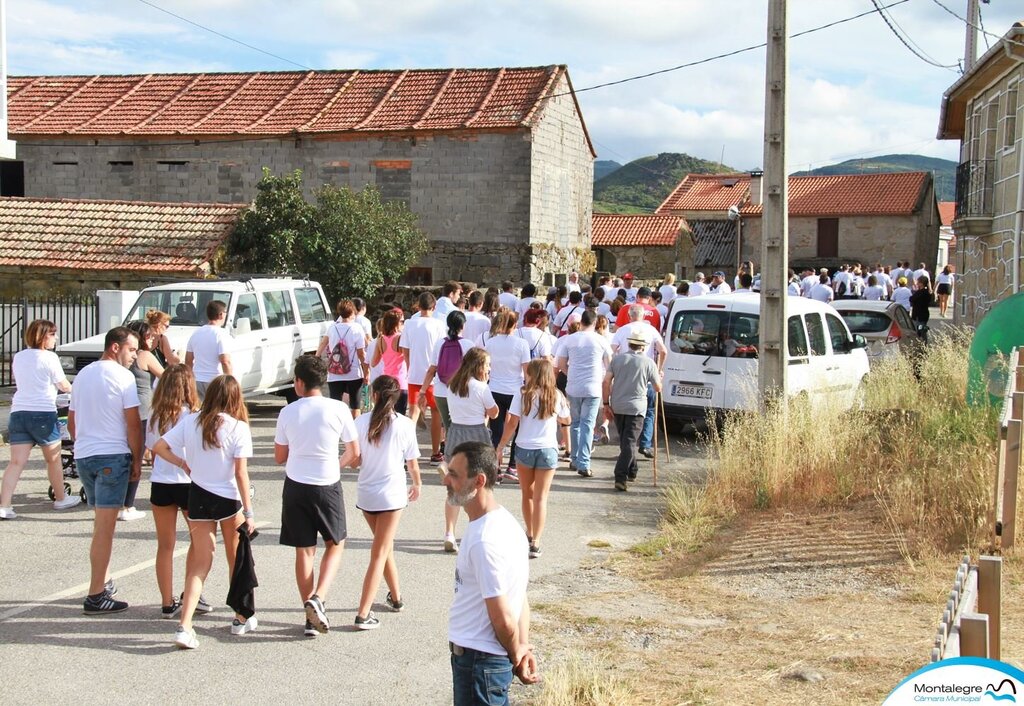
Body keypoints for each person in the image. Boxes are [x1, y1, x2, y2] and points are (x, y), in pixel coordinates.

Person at [152, 375, 255, 649]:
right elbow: (240, 473)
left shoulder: (191, 422)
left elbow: (159, 447)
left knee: (200, 563)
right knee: (235, 559)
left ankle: (185, 625)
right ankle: (240, 616)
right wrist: (250, 511)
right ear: (235, 398)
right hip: (228, 498)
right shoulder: (238, 427)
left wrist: (182, 463)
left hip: (198, 495)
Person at [444, 441, 538, 704]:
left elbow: (503, 616)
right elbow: (519, 597)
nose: (446, 481)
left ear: (479, 481)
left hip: (479, 664)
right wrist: (520, 646)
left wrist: (516, 650)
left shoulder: (485, 540)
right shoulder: (507, 523)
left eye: (454, 475)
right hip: (483, 662)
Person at [273, 355, 359, 636]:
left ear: (299, 383)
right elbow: (354, 452)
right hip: (327, 483)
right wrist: (337, 463)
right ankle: (318, 598)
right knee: (336, 542)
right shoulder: (339, 408)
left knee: (304, 549)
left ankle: (309, 616)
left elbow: (279, 457)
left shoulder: (288, 412)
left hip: (296, 484)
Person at [70, 326, 142, 614]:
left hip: (85, 454)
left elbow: (72, 421)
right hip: (112, 455)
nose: (134, 357)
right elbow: (133, 423)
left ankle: (104, 580)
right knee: (105, 529)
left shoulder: (84, 374)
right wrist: (137, 459)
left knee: (100, 523)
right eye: (132, 350)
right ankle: (96, 593)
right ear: (115, 347)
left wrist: (84, 444)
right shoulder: (123, 377)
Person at [351, 375, 421, 629]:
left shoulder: (359, 422)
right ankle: (363, 612)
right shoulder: (403, 425)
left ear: (375, 394)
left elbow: (356, 459)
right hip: (391, 494)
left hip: (367, 493)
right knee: (380, 551)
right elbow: (411, 463)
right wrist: (417, 483)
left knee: (384, 546)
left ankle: (396, 596)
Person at [0, 319, 80, 518]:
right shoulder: (49, 357)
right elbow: (63, 385)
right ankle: (61, 499)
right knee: (53, 459)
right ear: (44, 336)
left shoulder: (18, 357)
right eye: (53, 334)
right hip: (43, 412)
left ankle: (5, 505)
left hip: (18, 412)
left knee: (16, 462)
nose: (56, 338)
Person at [497, 359, 570, 559]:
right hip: (548, 448)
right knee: (541, 497)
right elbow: (566, 420)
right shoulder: (556, 396)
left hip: (524, 447)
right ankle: (536, 542)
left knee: (526, 494)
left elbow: (511, 423)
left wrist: (501, 446)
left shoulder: (522, 395)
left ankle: (529, 533)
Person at [146, 364, 202, 619]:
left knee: (165, 546)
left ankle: (166, 601)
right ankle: (192, 593)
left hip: (161, 481)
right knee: (198, 543)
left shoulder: (156, 415)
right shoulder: (193, 415)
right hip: (189, 481)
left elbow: (152, 447)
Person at [444, 348, 499, 553]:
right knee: (481, 485)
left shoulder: (453, 385)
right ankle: (477, 529)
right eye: (487, 365)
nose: (489, 368)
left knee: (454, 486)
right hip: (477, 434)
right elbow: (494, 413)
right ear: (479, 366)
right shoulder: (480, 387)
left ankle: (449, 532)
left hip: (456, 433)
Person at [604, 330, 662, 491]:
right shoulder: (649, 363)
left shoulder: (617, 359)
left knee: (626, 441)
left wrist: (606, 403)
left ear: (629, 344)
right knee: (629, 442)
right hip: (636, 407)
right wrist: (660, 378)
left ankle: (632, 470)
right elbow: (657, 387)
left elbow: (606, 382)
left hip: (618, 404)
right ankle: (620, 476)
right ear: (643, 347)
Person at [557, 311, 612, 478]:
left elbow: (560, 363)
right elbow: (609, 364)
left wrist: (569, 373)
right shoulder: (601, 340)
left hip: (573, 386)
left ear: (581, 323)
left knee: (574, 423)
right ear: (595, 324)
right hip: (593, 387)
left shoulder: (570, 339)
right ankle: (584, 462)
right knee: (587, 424)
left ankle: (574, 458)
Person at [122, 320, 165, 522]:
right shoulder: (144, 355)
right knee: (137, 458)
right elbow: (165, 376)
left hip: (122, 411)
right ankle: (127, 504)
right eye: (148, 336)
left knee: (124, 456)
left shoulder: (123, 358)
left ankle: (119, 500)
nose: (152, 339)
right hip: (142, 412)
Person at [612, 305, 667, 459]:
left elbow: (612, 350)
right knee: (649, 411)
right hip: (646, 374)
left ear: (629, 316)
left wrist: (613, 369)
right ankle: (645, 444)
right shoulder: (651, 330)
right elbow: (663, 351)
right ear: (643, 316)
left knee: (624, 414)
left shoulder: (622, 330)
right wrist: (658, 369)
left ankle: (627, 447)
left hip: (624, 376)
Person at [482, 310, 530, 481]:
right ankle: (512, 465)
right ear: (515, 324)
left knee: (496, 429)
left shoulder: (491, 343)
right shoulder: (522, 344)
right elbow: (526, 371)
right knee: (518, 429)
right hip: (515, 390)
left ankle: (496, 467)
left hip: (495, 388)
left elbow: (487, 367)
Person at [400, 292, 447, 464]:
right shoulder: (438, 325)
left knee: (413, 413)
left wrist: (410, 367)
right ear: (434, 307)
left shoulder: (410, 324)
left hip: (414, 375)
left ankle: (406, 452)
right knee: (436, 413)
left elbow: (405, 351)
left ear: (418, 306)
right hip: (433, 376)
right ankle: (435, 453)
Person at [317, 299, 369, 416]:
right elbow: (361, 354)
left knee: (335, 406)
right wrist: (367, 371)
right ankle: (355, 431)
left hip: (334, 373)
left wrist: (316, 358)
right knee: (355, 406)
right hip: (353, 373)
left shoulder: (332, 328)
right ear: (353, 312)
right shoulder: (357, 328)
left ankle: (337, 431)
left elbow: (323, 344)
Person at [185, 300, 232, 400]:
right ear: (220, 315)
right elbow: (225, 361)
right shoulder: (221, 334)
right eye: (225, 313)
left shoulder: (196, 333)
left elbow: (188, 361)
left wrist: (190, 379)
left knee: (199, 411)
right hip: (215, 380)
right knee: (216, 411)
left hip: (197, 379)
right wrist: (230, 382)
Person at [370, 309, 409, 415]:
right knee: (400, 416)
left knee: (386, 415)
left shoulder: (380, 340)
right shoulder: (400, 339)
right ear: (395, 323)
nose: (403, 324)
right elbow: (408, 359)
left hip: (386, 382)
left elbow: (373, 362)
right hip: (400, 382)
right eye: (401, 322)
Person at [910, 275, 933, 343]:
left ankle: (922, 345)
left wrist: (915, 291)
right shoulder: (927, 292)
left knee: (919, 331)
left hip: (918, 315)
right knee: (922, 329)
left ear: (921, 283)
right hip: (924, 314)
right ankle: (924, 344)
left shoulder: (920, 292)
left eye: (918, 282)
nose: (917, 283)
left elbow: (911, 299)